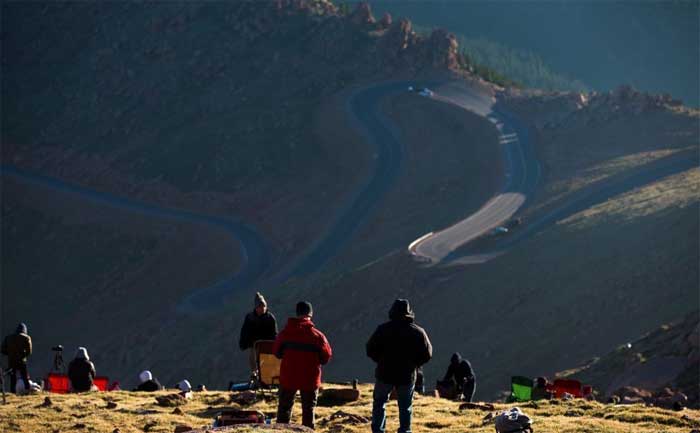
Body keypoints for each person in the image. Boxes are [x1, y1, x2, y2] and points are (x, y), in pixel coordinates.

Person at [366, 299, 432, 433]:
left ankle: (378, 430)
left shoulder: (383, 329)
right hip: (407, 375)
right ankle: (405, 430)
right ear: (409, 313)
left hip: (385, 373)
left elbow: (370, 348)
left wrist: (380, 361)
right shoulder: (418, 332)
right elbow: (427, 353)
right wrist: (415, 365)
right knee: (405, 406)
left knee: (380, 403)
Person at [273, 301, 332, 429]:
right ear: (310, 315)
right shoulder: (318, 336)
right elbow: (326, 357)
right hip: (309, 379)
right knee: (308, 412)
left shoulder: (284, 334)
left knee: (284, 410)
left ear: (297, 313)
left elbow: (276, 353)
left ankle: (281, 431)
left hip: (288, 377)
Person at [239, 292, 278, 379]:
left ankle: (267, 377)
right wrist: (244, 343)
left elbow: (274, 333)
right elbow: (244, 332)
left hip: (267, 344)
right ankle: (255, 373)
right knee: (253, 355)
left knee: (267, 360)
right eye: (260, 307)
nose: (262, 308)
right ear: (256, 307)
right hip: (254, 344)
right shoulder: (250, 318)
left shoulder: (270, 318)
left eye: (264, 306)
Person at [1, 322, 32, 394]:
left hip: (11, 360)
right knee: (25, 377)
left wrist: (9, 354)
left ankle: (13, 392)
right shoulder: (26, 338)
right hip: (22, 361)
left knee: (13, 378)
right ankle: (27, 391)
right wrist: (23, 356)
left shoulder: (8, 337)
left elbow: (2, 350)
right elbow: (29, 351)